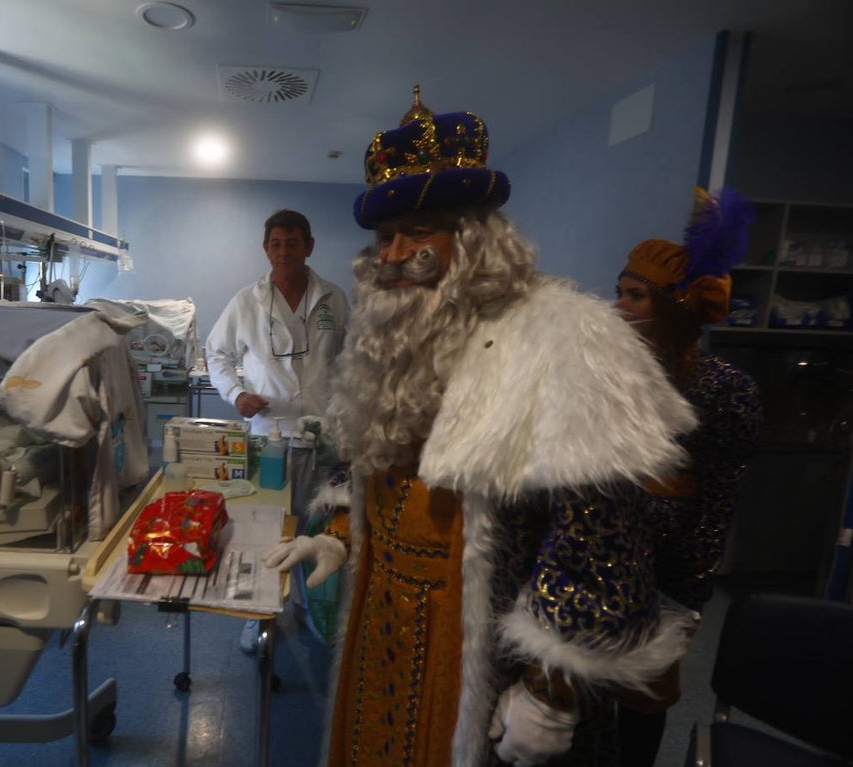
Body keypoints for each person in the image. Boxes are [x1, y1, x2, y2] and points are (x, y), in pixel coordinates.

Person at [262, 86, 699, 766]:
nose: (398, 253)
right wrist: (343, 535)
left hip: (482, 643)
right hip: (384, 611)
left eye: (420, 229)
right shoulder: (391, 337)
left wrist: (551, 683)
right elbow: (376, 456)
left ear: (472, 236)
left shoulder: (562, 338)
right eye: (384, 237)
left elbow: (599, 532)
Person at [613, 189, 762, 767]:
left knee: (641, 706)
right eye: (619, 290)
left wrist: (688, 598)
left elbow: (720, 497)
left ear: (674, 306)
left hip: (664, 571)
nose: (618, 305)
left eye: (634, 295)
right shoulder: (611, 377)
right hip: (593, 558)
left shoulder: (726, 390)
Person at [205, 208, 349, 653]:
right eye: (275, 243)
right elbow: (217, 354)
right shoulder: (247, 301)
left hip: (327, 436)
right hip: (270, 433)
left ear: (309, 246)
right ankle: (258, 613)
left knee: (318, 524)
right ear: (266, 249)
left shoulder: (333, 298)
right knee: (265, 525)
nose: (283, 251)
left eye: (292, 242)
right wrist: (236, 394)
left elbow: (353, 358)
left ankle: (310, 609)